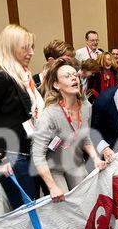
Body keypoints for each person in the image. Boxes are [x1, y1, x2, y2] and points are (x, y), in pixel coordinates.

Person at [0, 24, 44, 210]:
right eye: (25, 47)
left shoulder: (23, 77)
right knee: (25, 210)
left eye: (32, 47)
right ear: (10, 48)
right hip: (11, 156)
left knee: (33, 204)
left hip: (28, 151)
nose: (31, 53)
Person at [32, 58, 107, 203]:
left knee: (85, 201)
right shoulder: (49, 115)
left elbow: (85, 137)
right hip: (55, 169)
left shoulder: (86, 107)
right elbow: (38, 156)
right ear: (56, 85)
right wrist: (52, 187)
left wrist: (95, 158)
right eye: (67, 76)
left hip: (75, 163)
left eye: (75, 75)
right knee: (65, 205)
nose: (74, 78)